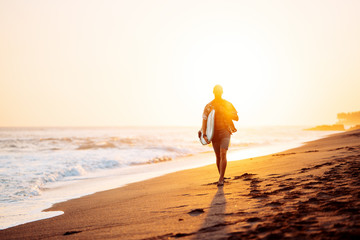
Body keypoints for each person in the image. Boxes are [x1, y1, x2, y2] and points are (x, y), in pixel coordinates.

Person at [200, 85, 238, 186]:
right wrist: (204, 134)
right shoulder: (209, 106)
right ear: (213, 92)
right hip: (214, 133)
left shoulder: (227, 104)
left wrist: (226, 112)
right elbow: (204, 121)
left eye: (219, 91)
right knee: (217, 156)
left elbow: (236, 117)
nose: (218, 93)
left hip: (225, 131)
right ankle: (221, 175)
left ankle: (221, 179)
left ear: (222, 92)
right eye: (216, 91)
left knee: (223, 153)